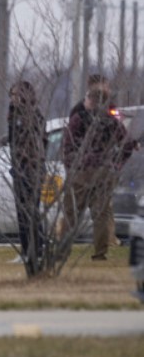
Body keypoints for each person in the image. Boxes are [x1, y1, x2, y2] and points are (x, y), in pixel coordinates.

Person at [61, 75, 135, 261]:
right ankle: (100, 252)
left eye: (87, 98)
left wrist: (71, 166)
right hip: (105, 172)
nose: (84, 100)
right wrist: (117, 165)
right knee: (101, 214)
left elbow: (67, 144)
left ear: (92, 100)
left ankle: (63, 250)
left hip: (81, 172)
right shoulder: (112, 121)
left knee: (71, 212)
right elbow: (127, 145)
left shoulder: (78, 118)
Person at [7, 80, 47, 272]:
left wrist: (28, 162)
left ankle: (37, 248)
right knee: (21, 212)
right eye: (11, 95)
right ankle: (25, 250)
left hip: (31, 169)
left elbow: (38, 143)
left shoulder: (33, 116)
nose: (13, 98)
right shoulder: (13, 115)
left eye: (16, 94)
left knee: (31, 211)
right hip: (18, 168)